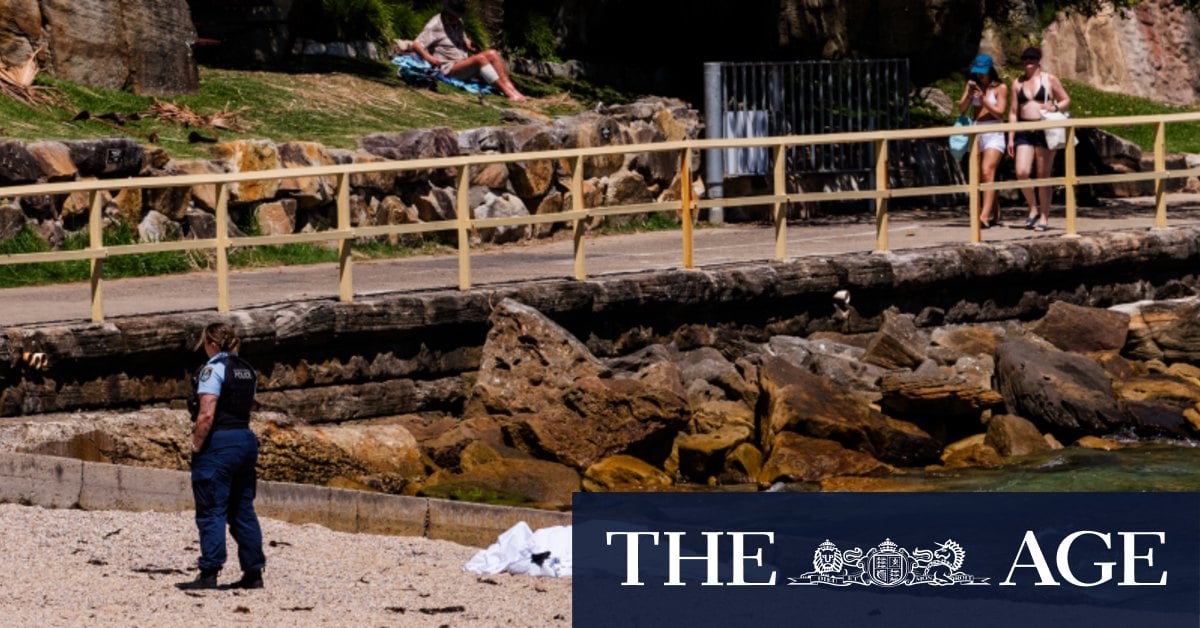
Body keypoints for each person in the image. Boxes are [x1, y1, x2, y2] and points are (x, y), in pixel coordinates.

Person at [177, 322, 266, 591]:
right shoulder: (247, 370)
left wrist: (196, 445)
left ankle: (209, 572)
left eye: (204, 344)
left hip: (220, 444)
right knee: (242, 510)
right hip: (245, 439)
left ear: (212, 344)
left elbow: (206, 414)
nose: (204, 348)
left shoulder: (212, 369)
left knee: (211, 509)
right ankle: (253, 572)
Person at [412, 0, 527, 102]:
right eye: (453, 15)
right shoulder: (435, 25)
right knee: (480, 59)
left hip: (462, 62)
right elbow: (416, 44)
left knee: (493, 53)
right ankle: (508, 93)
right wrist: (429, 58)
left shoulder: (458, 22)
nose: (456, 18)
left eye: (457, 15)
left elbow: (461, 38)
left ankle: (513, 90)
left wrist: (467, 43)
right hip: (449, 68)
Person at [1007, 46, 1070, 232]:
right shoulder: (1017, 83)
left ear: (1039, 60)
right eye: (1026, 58)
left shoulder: (1049, 79)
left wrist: (1055, 108)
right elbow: (1012, 112)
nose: (1029, 61)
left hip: (1044, 129)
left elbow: (1066, 99)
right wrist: (1010, 137)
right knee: (1022, 171)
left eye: (1033, 58)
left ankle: (1044, 216)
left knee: (1043, 175)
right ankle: (1033, 207)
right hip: (1024, 130)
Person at [956, 53, 1009, 229]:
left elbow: (1000, 112)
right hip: (977, 130)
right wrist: (969, 95)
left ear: (990, 70)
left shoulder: (1000, 88)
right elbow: (962, 108)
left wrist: (984, 99)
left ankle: (984, 215)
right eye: (977, 72)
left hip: (994, 130)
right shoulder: (973, 85)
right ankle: (996, 211)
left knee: (987, 171)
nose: (980, 76)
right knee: (979, 174)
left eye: (983, 72)